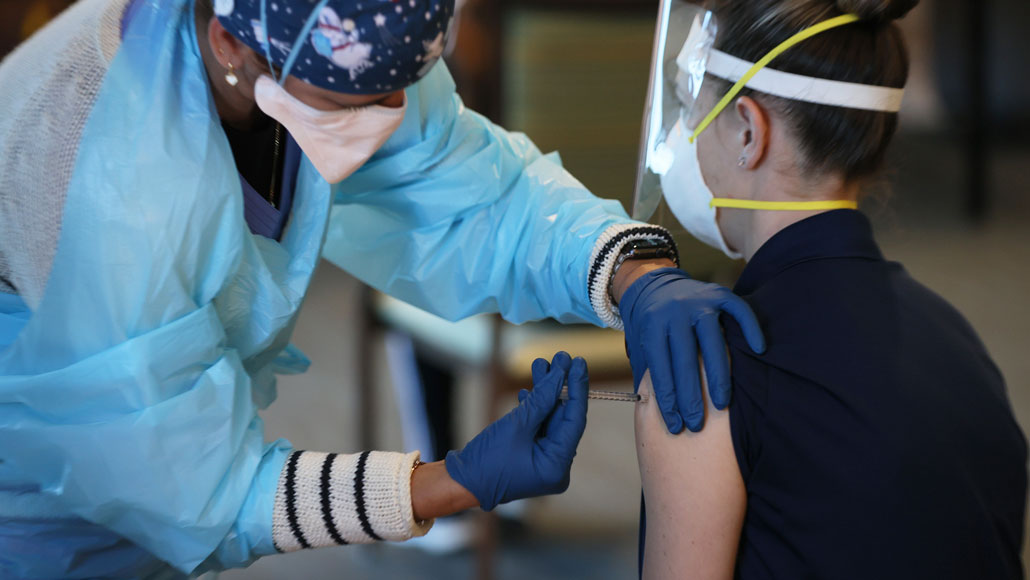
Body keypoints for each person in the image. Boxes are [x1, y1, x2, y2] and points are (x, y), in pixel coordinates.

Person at [0, 0, 768, 577]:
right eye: (358, 102)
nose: (389, 119)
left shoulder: (336, 47)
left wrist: (632, 271)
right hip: (32, 508)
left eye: (400, 90)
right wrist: (444, 486)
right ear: (230, 45)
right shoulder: (101, 174)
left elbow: (480, 196)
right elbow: (198, 492)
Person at [628, 0, 1029, 578]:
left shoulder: (702, 379)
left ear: (748, 129)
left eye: (694, 109)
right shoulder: (963, 345)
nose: (683, 136)